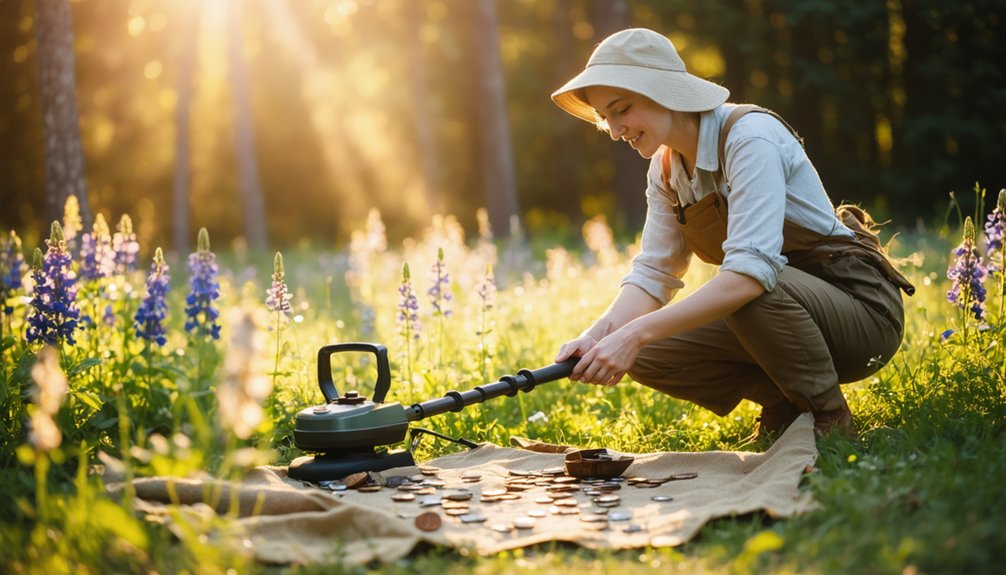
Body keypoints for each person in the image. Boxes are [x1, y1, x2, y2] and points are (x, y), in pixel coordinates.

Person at [550, 28, 914, 438]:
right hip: (780, 311)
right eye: (606, 118)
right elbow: (653, 274)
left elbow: (748, 277)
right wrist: (599, 335)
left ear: (663, 90)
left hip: (862, 313)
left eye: (622, 109)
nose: (615, 130)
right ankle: (786, 406)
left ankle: (829, 418)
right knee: (645, 353)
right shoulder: (666, 170)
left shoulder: (750, 137)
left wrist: (633, 332)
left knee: (746, 289)